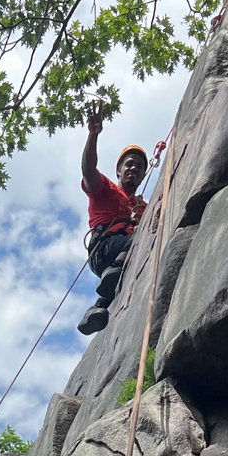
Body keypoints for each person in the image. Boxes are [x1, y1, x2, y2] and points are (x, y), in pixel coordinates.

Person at [78, 101, 148, 335]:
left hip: (125, 252)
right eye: (129, 165)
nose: (134, 169)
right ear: (119, 170)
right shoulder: (105, 188)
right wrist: (93, 135)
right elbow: (88, 170)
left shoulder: (142, 206)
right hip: (104, 249)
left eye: (139, 168)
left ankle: (99, 308)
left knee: (143, 241)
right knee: (143, 236)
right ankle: (116, 268)